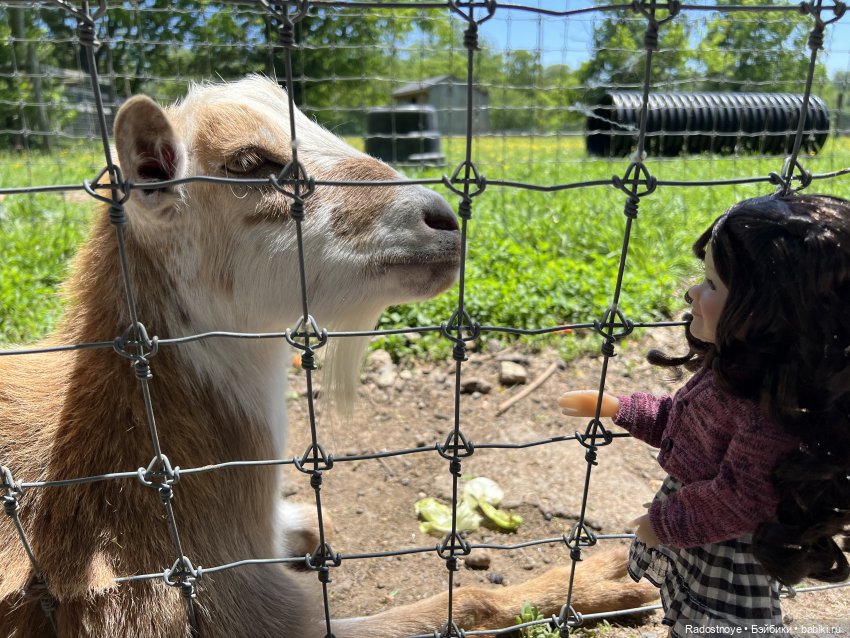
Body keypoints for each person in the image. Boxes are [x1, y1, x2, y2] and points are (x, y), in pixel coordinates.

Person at [558, 193, 850, 637]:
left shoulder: (765, 419)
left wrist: (665, 524)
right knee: (689, 614)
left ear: (769, 312)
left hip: (724, 544)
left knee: (721, 624)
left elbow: (739, 499)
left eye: (712, 283)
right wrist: (619, 408)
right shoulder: (734, 373)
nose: (693, 292)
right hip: (698, 523)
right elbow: (684, 425)